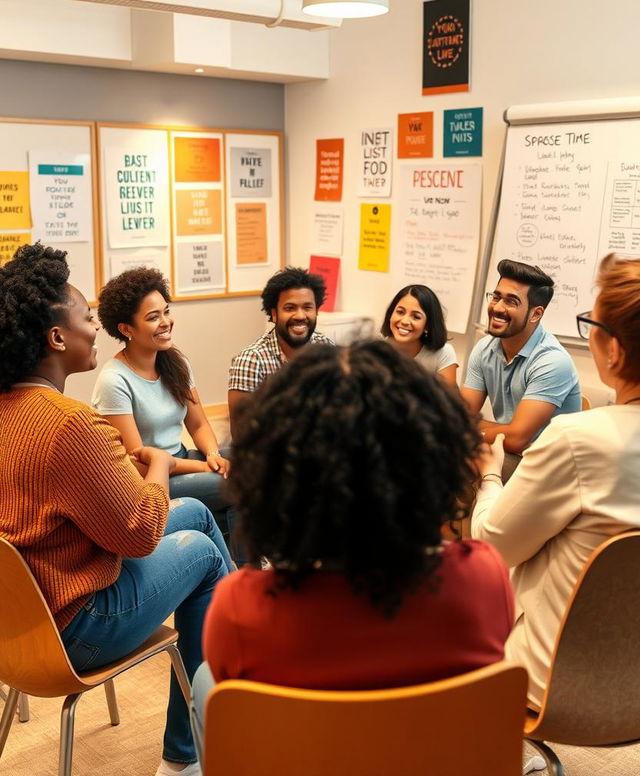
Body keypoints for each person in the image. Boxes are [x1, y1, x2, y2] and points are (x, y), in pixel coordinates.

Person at [191, 341, 514, 758]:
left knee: (205, 679)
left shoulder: (239, 607)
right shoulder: (484, 577)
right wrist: (490, 477)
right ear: (431, 463)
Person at [0, 243, 229, 776]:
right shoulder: (71, 426)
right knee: (197, 550)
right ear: (56, 338)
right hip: (78, 624)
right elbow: (143, 533)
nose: (94, 328)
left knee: (198, 517)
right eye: (86, 319)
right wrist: (157, 465)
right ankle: (188, 754)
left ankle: (240, 658)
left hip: (18, 624)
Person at [472, 253, 640, 707]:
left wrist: (490, 473)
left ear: (615, 350)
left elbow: (492, 543)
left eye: (593, 325)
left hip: (554, 679)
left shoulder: (575, 439)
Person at [92, 267, 236, 549]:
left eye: (166, 312)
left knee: (252, 461)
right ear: (126, 329)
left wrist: (214, 454)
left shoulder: (175, 363)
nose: (166, 322)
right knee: (238, 483)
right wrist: (204, 466)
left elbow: (198, 424)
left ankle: (237, 557)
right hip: (153, 480)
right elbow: (139, 462)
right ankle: (243, 570)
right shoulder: (114, 380)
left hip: (181, 459)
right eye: (153, 317)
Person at [461, 259, 580, 474]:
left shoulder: (552, 361)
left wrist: (471, 431)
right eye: (496, 297)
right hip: (505, 451)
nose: (497, 308)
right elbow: (461, 417)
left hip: (549, 468)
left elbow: (517, 439)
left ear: (536, 314)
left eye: (511, 301)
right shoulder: (484, 349)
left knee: (458, 464)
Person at [227, 266, 333, 441]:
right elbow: (241, 433)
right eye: (290, 308)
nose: (300, 316)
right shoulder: (251, 360)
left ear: (316, 311)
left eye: (307, 307)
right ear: (274, 314)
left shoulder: (326, 348)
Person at [381, 283, 458, 387]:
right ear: (390, 315)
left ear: (427, 325)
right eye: (400, 312)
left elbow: (447, 401)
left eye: (416, 317)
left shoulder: (443, 353)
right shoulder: (375, 351)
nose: (405, 321)